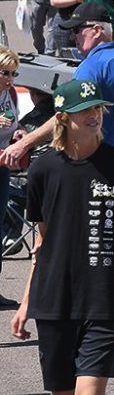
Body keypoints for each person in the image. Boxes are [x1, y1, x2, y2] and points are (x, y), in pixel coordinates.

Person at [5, 2, 114, 345]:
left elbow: (65, 113)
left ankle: (93, 318)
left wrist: (25, 143)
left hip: (96, 168)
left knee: (88, 244)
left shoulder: (92, 66)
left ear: (97, 29)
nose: (76, 37)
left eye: (79, 30)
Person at [9, 79, 114, 395]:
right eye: (83, 110)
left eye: (97, 108)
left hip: (104, 299)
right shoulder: (43, 169)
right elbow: (43, 241)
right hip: (54, 301)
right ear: (62, 118)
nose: (93, 115)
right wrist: (27, 302)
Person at [0, 47, 25, 301]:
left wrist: (21, 133)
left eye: (13, 73)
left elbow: (17, 124)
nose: (9, 79)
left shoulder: (11, 94)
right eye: (4, 73)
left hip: (3, 167)